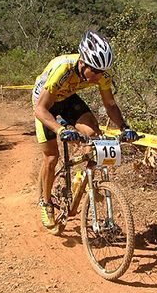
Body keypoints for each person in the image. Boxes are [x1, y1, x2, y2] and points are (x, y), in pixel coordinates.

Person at [32, 30, 139, 230]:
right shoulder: (63, 69)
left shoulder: (101, 74)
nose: (99, 76)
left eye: (102, 72)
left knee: (95, 136)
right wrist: (60, 129)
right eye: (95, 71)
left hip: (68, 99)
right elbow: (40, 109)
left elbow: (110, 105)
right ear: (83, 63)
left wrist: (125, 127)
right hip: (45, 101)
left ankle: (84, 182)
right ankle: (46, 203)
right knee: (52, 157)